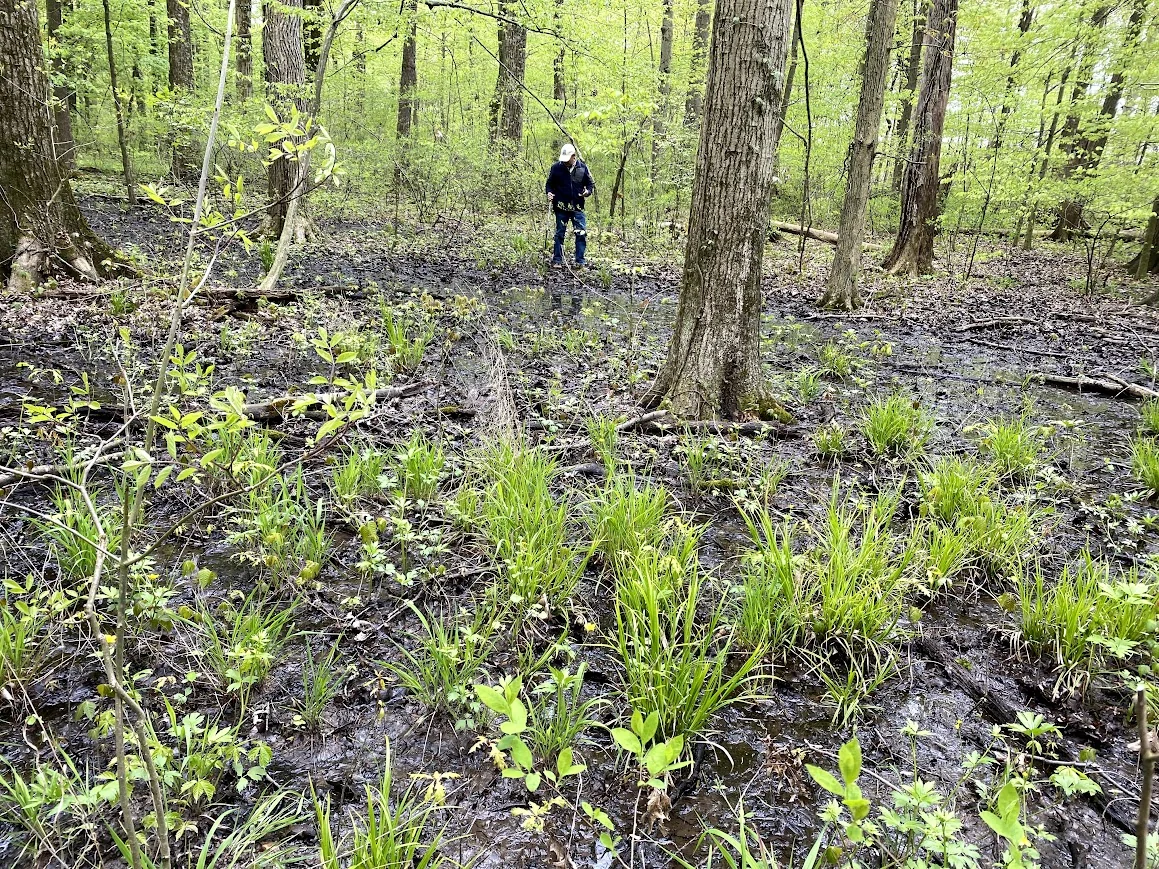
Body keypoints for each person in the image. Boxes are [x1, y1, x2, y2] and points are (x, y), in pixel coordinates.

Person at [545, 143, 596, 269]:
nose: (565, 162)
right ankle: (557, 260)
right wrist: (549, 192)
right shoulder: (556, 168)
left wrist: (587, 192)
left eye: (567, 159)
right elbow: (549, 184)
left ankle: (580, 261)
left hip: (577, 207)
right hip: (561, 206)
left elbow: (590, 184)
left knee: (581, 233)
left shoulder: (582, 168)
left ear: (574, 157)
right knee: (559, 233)